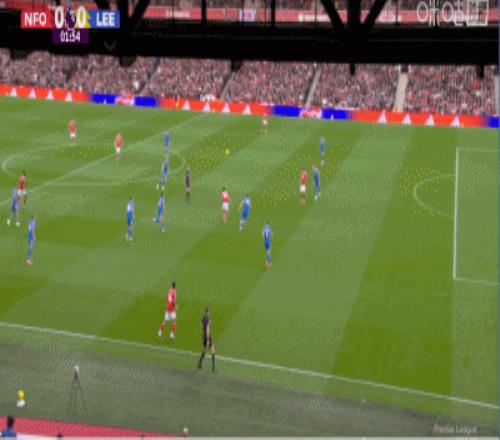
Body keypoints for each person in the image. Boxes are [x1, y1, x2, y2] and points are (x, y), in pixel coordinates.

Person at [197, 306, 215, 373]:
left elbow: (201, 325)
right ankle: (213, 367)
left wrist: (203, 335)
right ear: (208, 311)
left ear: (205, 311)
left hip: (203, 335)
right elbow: (207, 328)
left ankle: (199, 363)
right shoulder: (208, 318)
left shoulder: (203, 317)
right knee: (213, 349)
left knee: (205, 349)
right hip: (207, 336)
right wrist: (207, 339)